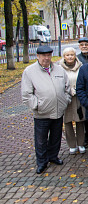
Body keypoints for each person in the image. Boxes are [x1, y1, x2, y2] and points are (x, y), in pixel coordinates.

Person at [21, 45, 71, 174]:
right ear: (38, 56)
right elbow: (26, 94)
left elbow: (67, 88)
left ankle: (53, 156)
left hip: (58, 111)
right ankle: (42, 162)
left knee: (56, 137)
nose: (46, 58)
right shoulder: (29, 71)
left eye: (49, 55)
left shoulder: (59, 70)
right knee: (41, 140)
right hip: (42, 113)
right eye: (43, 56)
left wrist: (65, 101)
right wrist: (37, 105)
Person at [57, 47, 86, 155]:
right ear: (64, 57)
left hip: (78, 98)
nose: (70, 57)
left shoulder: (81, 66)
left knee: (80, 121)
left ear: (75, 56)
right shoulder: (59, 68)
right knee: (67, 121)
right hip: (66, 98)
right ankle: (72, 145)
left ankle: (81, 143)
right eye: (67, 55)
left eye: (72, 55)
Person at [77, 37, 88, 147]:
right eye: (82, 45)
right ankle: (86, 138)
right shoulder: (77, 59)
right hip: (83, 92)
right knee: (83, 118)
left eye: (86, 44)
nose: (84, 46)